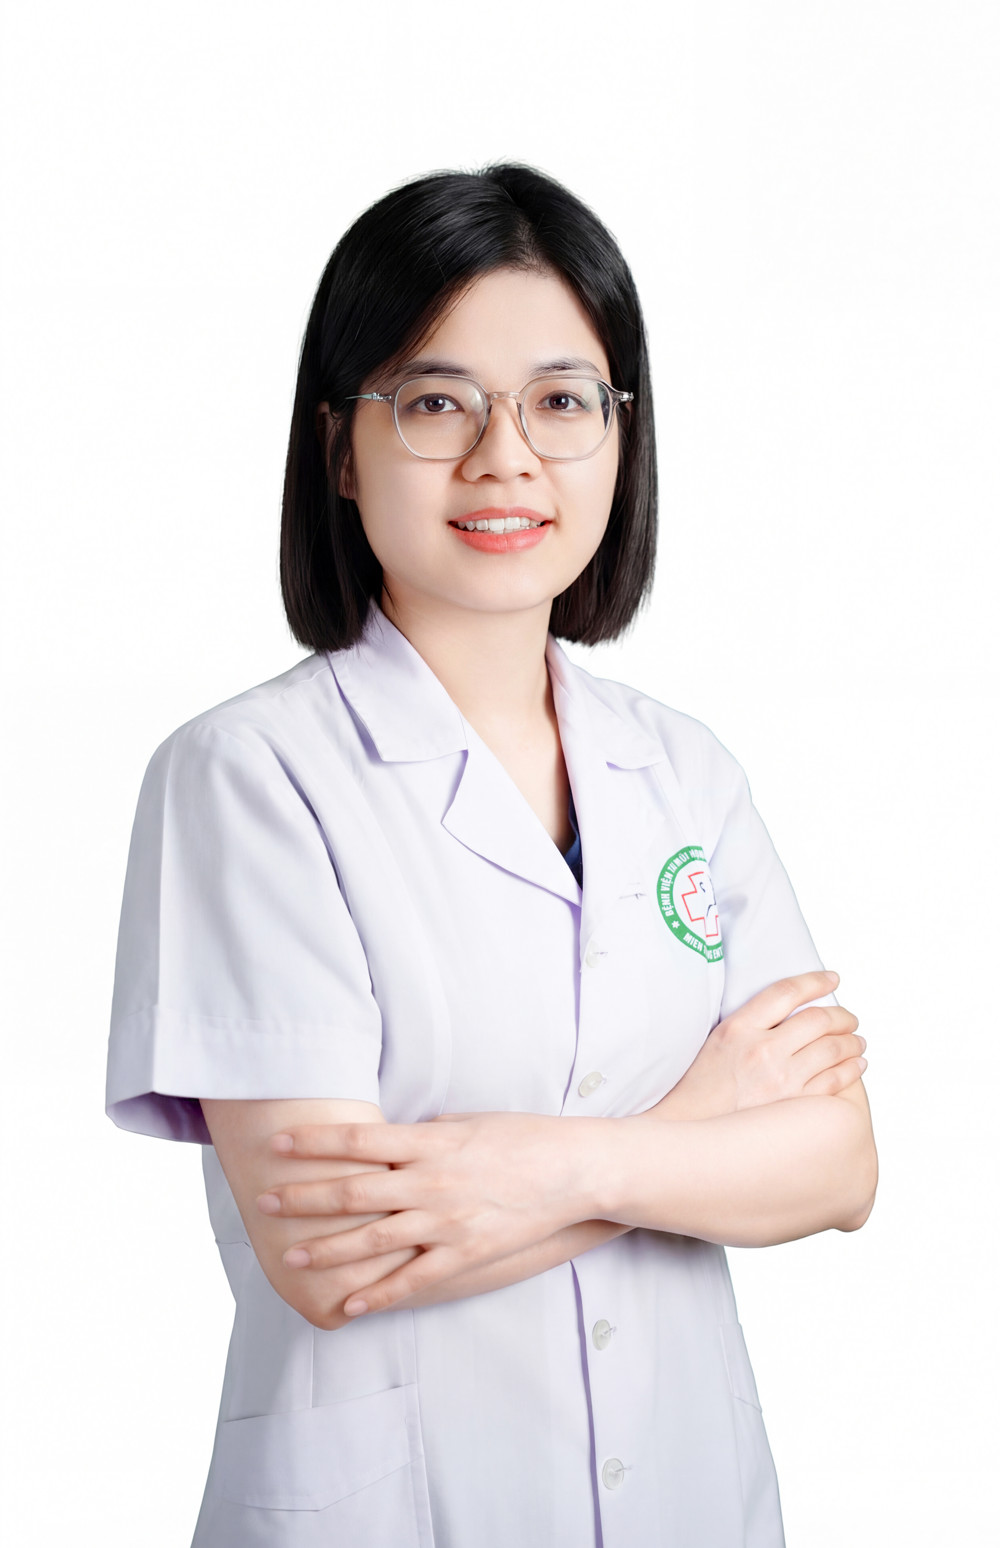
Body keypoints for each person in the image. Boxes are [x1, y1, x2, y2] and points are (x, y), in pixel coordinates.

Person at [105, 163, 877, 1548]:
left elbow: (836, 1166)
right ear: (340, 447)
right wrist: (690, 1133)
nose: (506, 456)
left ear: (621, 438)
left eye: (562, 401)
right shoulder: (251, 776)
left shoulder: (685, 771)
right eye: (436, 401)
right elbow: (330, 1253)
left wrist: (541, 1171)